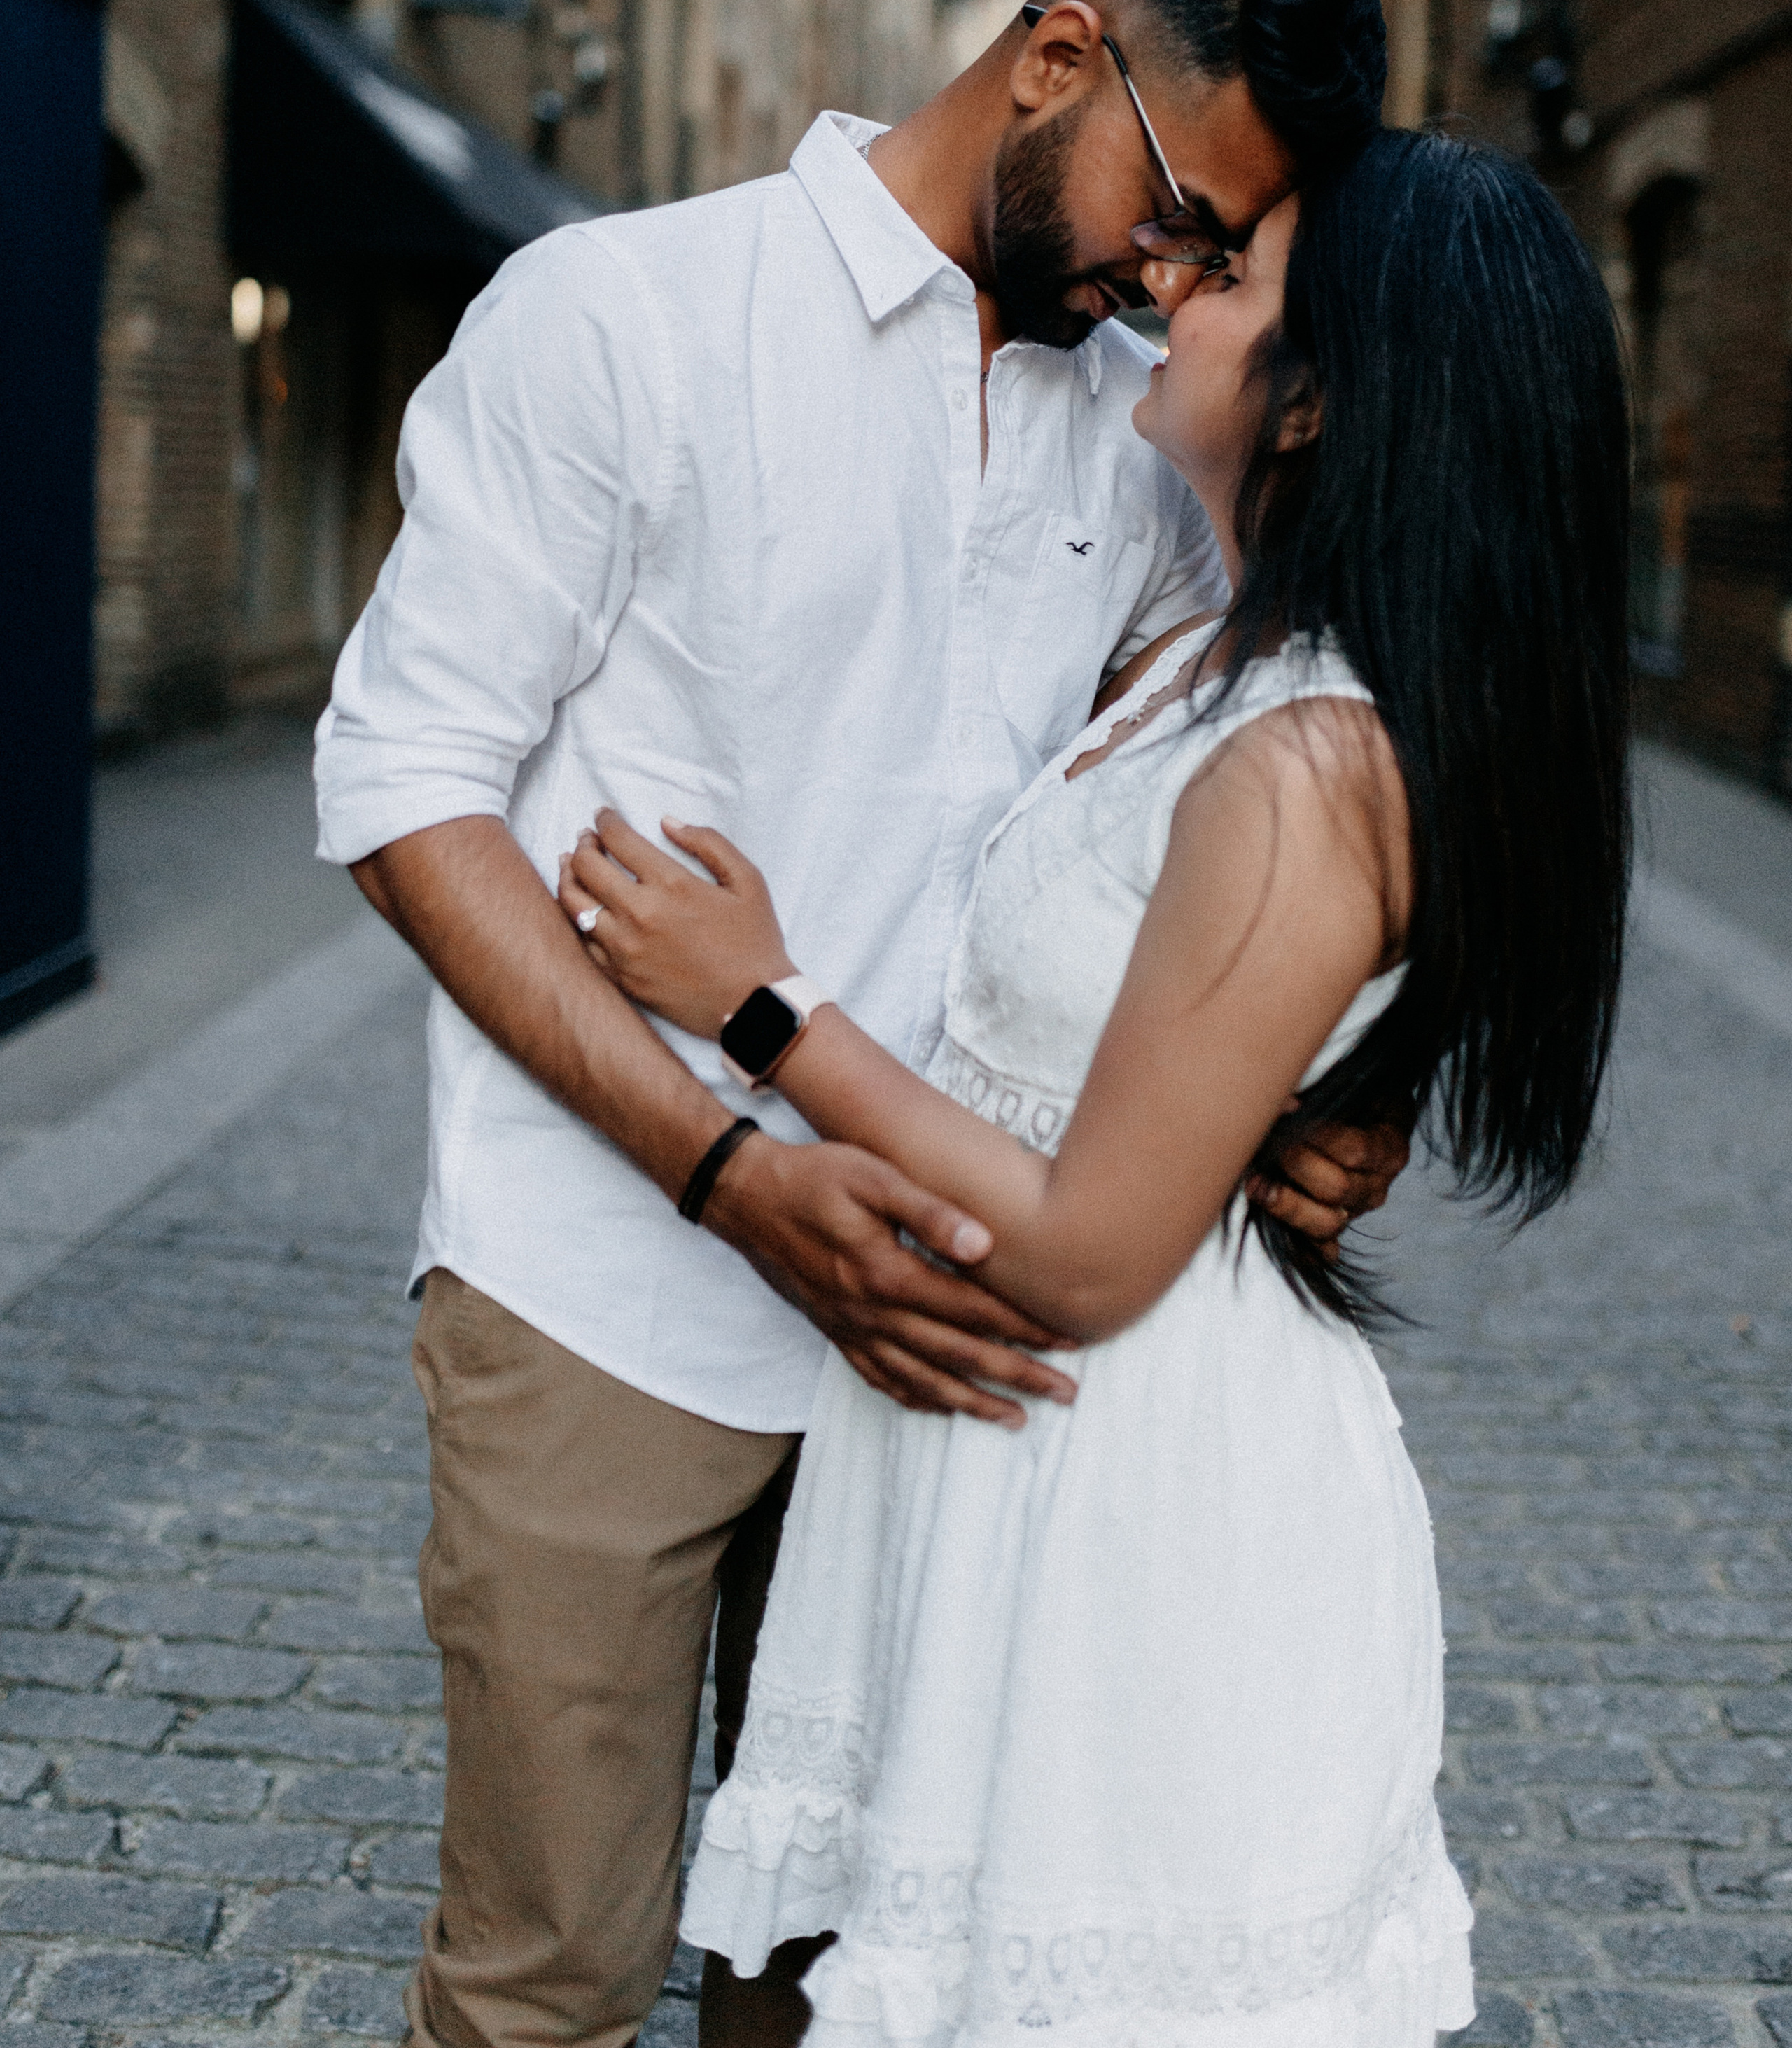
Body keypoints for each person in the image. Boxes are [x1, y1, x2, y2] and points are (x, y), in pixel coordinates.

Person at [314, 0, 1410, 2048]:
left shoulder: (1150, 432)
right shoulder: (622, 315)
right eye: (1178, 211)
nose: (1177, 277)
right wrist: (730, 1171)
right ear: (1059, 57)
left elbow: (1239, 806)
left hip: (959, 1352)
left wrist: (1329, 1087)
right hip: (602, 1296)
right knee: (547, 1980)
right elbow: (404, 781)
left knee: (835, 1985)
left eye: (1227, 254)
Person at [556, 130, 1633, 2047]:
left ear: (1321, 399)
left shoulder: (1310, 758)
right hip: (981, 1457)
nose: (1166, 285)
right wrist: (1325, 1089)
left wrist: (761, 1006)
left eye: (1227, 278)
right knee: (798, 1980)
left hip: (1127, 1496)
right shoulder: (1212, 651)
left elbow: (1089, 1250)